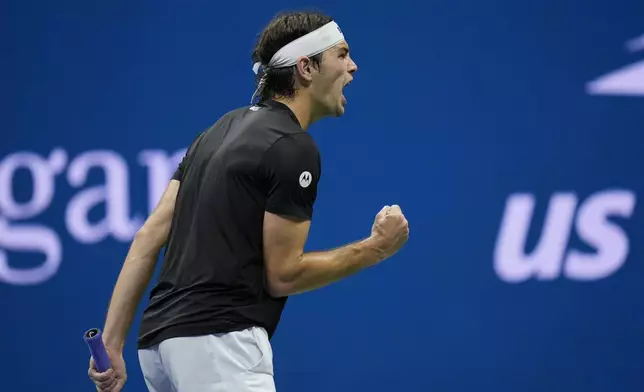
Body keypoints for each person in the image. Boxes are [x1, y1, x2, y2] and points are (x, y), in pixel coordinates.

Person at [88, 10, 409, 392]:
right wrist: (376, 248)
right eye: (341, 54)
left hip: (158, 348)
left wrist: (111, 342)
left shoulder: (214, 132)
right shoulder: (293, 147)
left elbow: (147, 237)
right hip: (220, 346)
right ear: (307, 68)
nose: (353, 67)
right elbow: (284, 274)